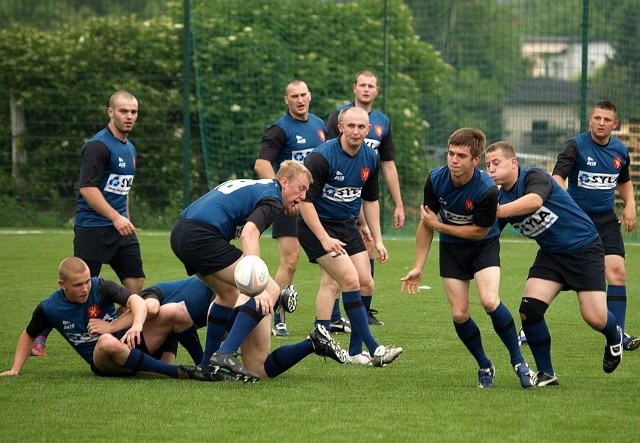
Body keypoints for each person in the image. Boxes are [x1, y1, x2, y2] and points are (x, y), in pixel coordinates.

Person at [170, 160, 347, 380]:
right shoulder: (273, 198)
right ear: (283, 181)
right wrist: (258, 285)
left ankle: (206, 367)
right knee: (270, 288)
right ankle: (225, 353)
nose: (303, 197)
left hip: (180, 232)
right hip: (201, 235)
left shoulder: (261, 188)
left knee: (228, 294)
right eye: (300, 188)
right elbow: (249, 234)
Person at [400, 128, 536, 389]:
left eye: (461, 156)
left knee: (489, 301)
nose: (453, 160)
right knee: (460, 314)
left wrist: (440, 227)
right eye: (451, 153)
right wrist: (418, 266)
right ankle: (484, 365)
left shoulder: (487, 189)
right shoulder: (436, 180)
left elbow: (479, 231)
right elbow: (426, 223)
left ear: (475, 160)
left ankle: (519, 362)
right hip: (452, 249)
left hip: (482, 245)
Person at [485, 141, 624, 386]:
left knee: (595, 317)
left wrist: (497, 210)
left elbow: (534, 202)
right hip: (551, 254)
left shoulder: (534, 176)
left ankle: (614, 336)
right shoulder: (501, 198)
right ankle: (546, 374)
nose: (491, 169)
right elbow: (488, 233)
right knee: (530, 311)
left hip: (584, 248)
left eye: (496, 163)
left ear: (513, 162)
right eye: (487, 165)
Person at [31, 91, 146, 357]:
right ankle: (39, 334)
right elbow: (88, 189)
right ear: (110, 112)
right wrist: (115, 217)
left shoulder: (130, 149)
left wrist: (124, 218)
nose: (129, 116)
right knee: (78, 285)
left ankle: (113, 326)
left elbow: (122, 191)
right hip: (92, 229)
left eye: (134, 112)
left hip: (120, 228)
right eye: (123, 111)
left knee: (136, 280)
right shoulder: (98, 146)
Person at [298, 106, 402, 367]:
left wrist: (377, 239)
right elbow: (305, 203)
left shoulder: (370, 158)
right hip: (316, 226)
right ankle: (374, 348)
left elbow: (371, 200)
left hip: (347, 226)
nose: (356, 131)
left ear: (368, 130)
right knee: (348, 279)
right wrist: (323, 238)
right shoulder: (321, 157)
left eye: (361, 127)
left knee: (366, 283)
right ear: (341, 127)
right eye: (351, 126)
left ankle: (351, 349)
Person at [1, 257, 213, 381]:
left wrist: (132, 325)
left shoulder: (100, 285)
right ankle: (176, 372)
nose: (85, 288)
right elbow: (29, 334)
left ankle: (204, 367)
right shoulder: (49, 308)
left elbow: (136, 301)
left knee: (175, 310)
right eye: (77, 285)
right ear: (62, 284)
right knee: (105, 342)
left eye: (86, 282)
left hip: (129, 342)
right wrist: (15, 369)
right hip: (104, 360)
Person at [101, 276, 339, 382]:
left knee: (215, 317)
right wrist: (200, 369)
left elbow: (150, 308)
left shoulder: (150, 298)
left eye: (126, 310)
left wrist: (111, 326)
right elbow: (169, 362)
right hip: (241, 305)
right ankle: (313, 342)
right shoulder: (165, 330)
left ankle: (274, 297)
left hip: (230, 296)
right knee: (260, 368)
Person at [551, 100, 639, 351]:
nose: (601, 123)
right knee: (559, 274)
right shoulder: (576, 146)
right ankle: (530, 322)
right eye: (597, 118)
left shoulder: (620, 150)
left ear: (615, 124)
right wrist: (566, 208)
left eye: (606, 120)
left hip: (606, 220)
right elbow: (557, 178)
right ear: (590, 119)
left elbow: (624, 180)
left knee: (618, 272)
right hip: (577, 220)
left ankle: (618, 336)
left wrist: (630, 205)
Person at [325, 70, 405, 329]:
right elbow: (326, 157)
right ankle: (334, 316)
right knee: (337, 261)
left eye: (371, 85)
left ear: (377, 90)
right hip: (338, 196)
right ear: (354, 88)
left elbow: (389, 165)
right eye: (362, 85)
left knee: (368, 245)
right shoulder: (339, 116)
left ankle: (363, 313)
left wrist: (399, 204)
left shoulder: (382, 122)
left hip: (364, 195)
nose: (367, 89)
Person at [254, 79, 328, 337]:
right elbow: (262, 164)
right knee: (290, 261)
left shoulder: (319, 125)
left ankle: (333, 317)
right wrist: (282, 196)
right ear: (287, 99)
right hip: (291, 204)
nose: (300, 99)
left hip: (315, 203)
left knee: (332, 258)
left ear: (310, 95)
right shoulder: (280, 129)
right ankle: (275, 315)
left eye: (303, 94)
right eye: (294, 96)